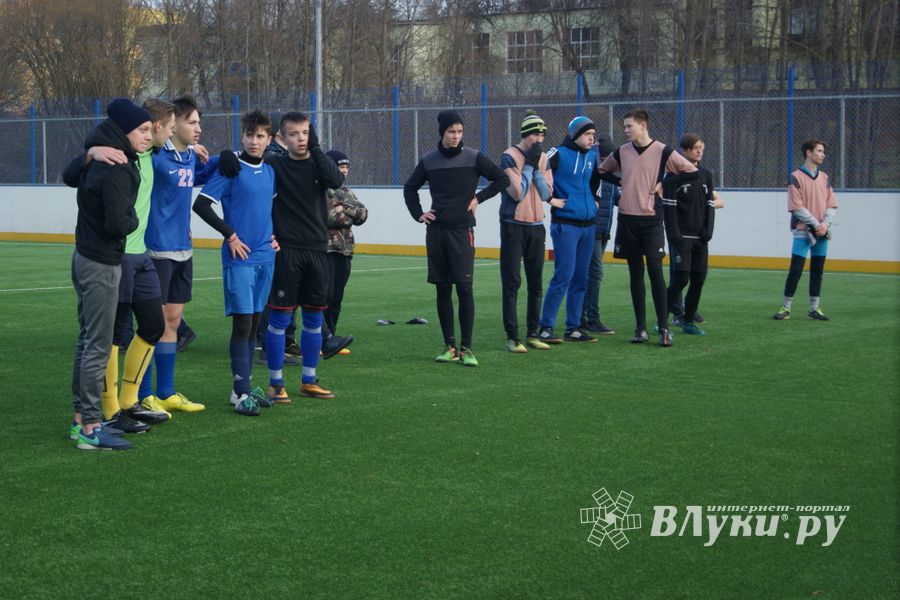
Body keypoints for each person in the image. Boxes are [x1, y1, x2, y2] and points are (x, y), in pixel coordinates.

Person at [221, 112, 354, 402]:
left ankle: (309, 379)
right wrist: (225, 154)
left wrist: (317, 147)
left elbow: (335, 181)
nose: (301, 139)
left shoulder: (320, 166)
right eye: (294, 134)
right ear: (281, 138)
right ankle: (275, 384)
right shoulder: (275, 165)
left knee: (314, 320)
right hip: (286, 251)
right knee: (280, 320)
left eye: (306, 133)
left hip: (318, 250)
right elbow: (248, 158)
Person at [62, 98, 175, 435]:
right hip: (114, 256)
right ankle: (100, 415)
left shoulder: (155, 152)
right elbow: (75, 179)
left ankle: (122, 404)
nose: (159, 134)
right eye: (163, 127)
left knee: (150, 325)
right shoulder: (115, 157)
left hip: (137, 255)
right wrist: (90, 153)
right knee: (104, 338)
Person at [403, 110, 509, 366]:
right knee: (442, 288)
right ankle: (449, 346)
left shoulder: (474, 157)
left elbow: (502, 179)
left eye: (460, 131)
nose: (456, 136)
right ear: (442, 133)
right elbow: (410, 187)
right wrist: (419, 214)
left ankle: (467, 349)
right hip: (437, 233)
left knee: (464, 288)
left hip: (462, 232)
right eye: (452, 131)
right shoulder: (429, 160)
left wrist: (477, 199)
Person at [194, 109, 278, 415]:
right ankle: (242, 393)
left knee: (255, 326)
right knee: (242, 325)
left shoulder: (270, 171)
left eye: (260, 136)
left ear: (269, 139)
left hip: (266, 257)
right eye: (249, 135)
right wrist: (229, 235)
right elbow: (201, 204)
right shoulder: (230, 168)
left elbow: (271, 210)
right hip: (239, 257)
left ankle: (241, 389)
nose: (254, 142)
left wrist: (276, 236)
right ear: (241, 135)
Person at [138, 94, 217, 413]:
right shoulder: (156, 158)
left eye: (199, 123)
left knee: (172, 320)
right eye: (191, 122)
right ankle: (143, 394)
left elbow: (206, 173)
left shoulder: (189, 159)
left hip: (184, 251)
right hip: (156, 252)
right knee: (150, 325)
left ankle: (167, 391)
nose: (198, 129)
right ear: (173, 127)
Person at [597, 108, 698, 347]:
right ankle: (640, 328)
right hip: (627, 220)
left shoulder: (663, 151)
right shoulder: (621, 152)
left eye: (629, 126)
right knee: (635, 275)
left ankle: (663, 328)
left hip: (652, 219)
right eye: (624, 126)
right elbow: (602, 171)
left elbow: (691, 172)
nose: (625, 130)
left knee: (655, 273)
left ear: (643, 126)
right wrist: (620, 181)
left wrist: (665, 183)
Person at [536, 115, 600, 345]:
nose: (592, 139)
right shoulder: (558, 153)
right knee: (563, 276)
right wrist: (550, 198)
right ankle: (546, 327)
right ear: (575, 134)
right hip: (566, 224)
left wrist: (596, 200)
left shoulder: (592, 156)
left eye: (593, 135)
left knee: (581, 278)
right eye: (587, 135)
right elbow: (537, 172)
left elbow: (595, 180)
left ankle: (573, 327)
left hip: (588, 226)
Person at [498, 111, 557, 353]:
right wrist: (530, 166)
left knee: (536, 283)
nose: (539, 139)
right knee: (512, 282)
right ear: (525, 134)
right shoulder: (509, 157)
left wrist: (536, 164)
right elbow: (517, 192)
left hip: (536, 226)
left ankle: (533, 332)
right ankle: (513, 337)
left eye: (542, 134)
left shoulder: (544, 158)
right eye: (535, 134)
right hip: (513, 224)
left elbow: (546, 193)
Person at [773, 139, 837, 321]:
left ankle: (814, 309)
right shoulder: (795, 177)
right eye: (819, 151)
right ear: (809, 153)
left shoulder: (824, 178)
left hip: (821, 232)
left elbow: (832, 204)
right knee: (796, 269)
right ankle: (786, 308)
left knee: (818, 270)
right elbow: (796, 207)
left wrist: (825, 224)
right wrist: (816, 225)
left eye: (823, 151)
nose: (823, 154)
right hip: (803, 231)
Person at [663, 133, 716, 336]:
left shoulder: (706, 175)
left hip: (700, 239)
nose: (700, 150)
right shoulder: (674, 175)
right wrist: (674, 234)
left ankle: (688, 321)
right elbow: (669, 207)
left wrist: (708, 231)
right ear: (684, 151)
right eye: (695, 147)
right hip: (681, 238)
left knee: (698, 279)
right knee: (680, 279)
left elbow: (710, 205)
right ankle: (663, 319)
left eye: (701, 147)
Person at [324, 149, 368, 352]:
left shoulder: (347, 192)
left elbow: (363, 214)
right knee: (325, 296)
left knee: (337, 298)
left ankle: (333, 338)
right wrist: (347, 213)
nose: (344, 171)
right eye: (340, 167)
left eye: (346, 167)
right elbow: (329, 217)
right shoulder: (322, 190)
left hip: (345, 252)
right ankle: (322, 340)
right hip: (327, 251)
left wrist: (346, 209)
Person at [581, 135, 620, 336]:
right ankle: (591, 318)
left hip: (603, 231)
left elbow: (617, 199)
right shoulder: (595, 173)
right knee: (594, 272)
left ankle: (582, 316)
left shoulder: (610, 179)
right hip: (592, 230)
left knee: (589, 273)